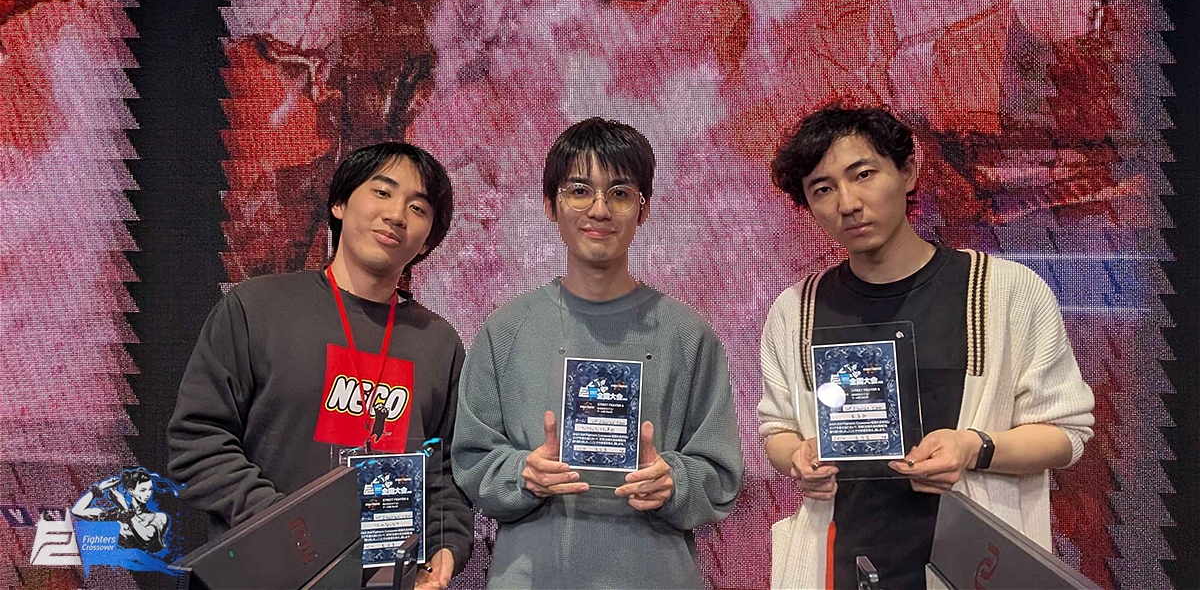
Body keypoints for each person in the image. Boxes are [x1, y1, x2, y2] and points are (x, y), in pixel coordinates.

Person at [758, 104, 1095, 589]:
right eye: (823, 189)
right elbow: (777, 430)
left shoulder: (1004, 292)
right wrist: (797, 455)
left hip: (975, 568)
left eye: (863, 174)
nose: (847, 203)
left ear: (908, 172)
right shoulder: (796, 309)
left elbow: (1067, 435)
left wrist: (972, 448)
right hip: (840, 565)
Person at [452, 118, 744, 589]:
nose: (600, 209)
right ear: (550, 205)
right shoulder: (505, 330)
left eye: (620, 193)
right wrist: (523, 473)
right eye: (580, 191)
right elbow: (471, 460)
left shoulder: (688, 335)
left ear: (643, 209)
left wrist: (674, 481)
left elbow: (721, 473)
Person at [168, 142, 473, 589]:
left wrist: (446, 545)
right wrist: (285, 526)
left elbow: (443, 469)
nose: (396, 215)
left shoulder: (438, 342)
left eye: (418, 207)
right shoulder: (257, 307)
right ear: (339, 203)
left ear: (428, 239)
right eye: (382, 192)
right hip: (261, 575)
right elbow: (198, 441)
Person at [72, 467, 170, 553]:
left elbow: (146, 538)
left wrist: (124, 508)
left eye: (150, 489)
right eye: (143, 490)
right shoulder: (115, 514)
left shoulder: (159, 517)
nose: (148, 494)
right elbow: (77, 511)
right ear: (131, 491)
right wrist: (100, 488)